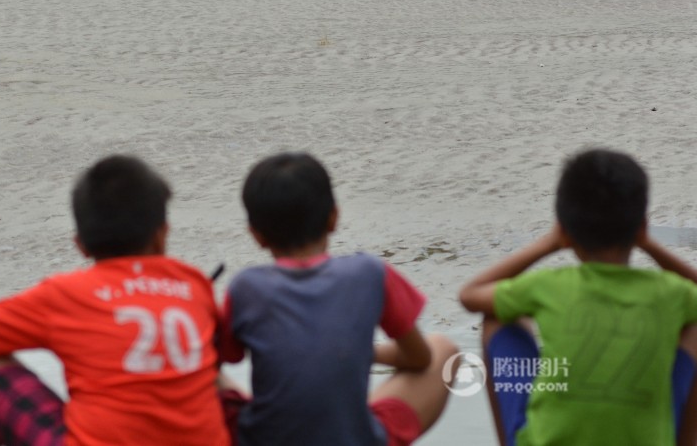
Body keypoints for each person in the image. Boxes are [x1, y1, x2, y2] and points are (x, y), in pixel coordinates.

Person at [0, 155, 230, 446]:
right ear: (162, 234)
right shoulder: (192, 282)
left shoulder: (66, 293)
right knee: (217, 381)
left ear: (80, 244)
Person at [459, 148, 697, 446]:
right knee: (693, 328)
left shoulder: (549, 285)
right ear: (641, 226)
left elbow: (470, 295)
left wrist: (548, 244)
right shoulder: (670, 293)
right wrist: (649, 245)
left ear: (566, 230)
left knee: (497, 317)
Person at [218, 152, 459, 446]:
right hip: (354, 439)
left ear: (256, 235)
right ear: (334, 217)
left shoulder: (246, 287)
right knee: (444, 350)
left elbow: (213, 362)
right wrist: (360, 350)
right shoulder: (370, 273)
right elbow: (419, 358)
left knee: (206, 375)